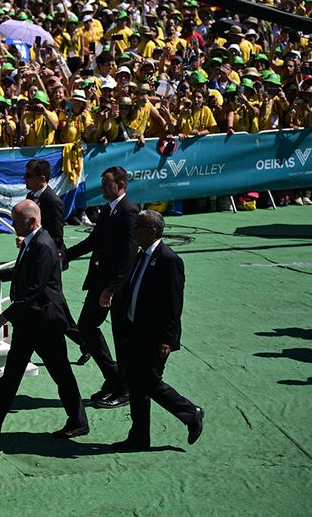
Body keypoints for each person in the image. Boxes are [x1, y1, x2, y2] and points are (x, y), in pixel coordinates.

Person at [0, 200, 88, 438]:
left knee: (60, 373)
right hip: (32, 321)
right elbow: (24, 272)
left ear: (32, 222)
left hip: (45, 323)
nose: (12, 225)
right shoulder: (33, 242)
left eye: (16, 221)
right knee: (13, 374)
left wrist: (5, 315)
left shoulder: (42, 245)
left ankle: (78, 421)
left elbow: (36, 289)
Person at [113, 210, 203, 450]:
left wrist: (168, 338)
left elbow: (174, 303)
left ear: (152, 231)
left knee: (149, 381)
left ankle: (190, 412)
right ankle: (139, 437)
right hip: (135, 331)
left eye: (138, 227)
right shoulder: (141, 256)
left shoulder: (169, 260)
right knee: (136, 383)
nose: (134, 231)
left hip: (155, 337)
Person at [64, 166, 139, 409]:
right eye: (103, 183)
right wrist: (65, 255)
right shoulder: (108, 210)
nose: (104, 187)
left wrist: (113, 288)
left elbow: (129, 254)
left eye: (108, 183)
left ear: (121, 185)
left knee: (121, 337)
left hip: (115, 286)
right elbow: (93, 241)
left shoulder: (129, 212)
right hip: (100, 281)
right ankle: (115, 378)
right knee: (86, 326)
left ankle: (125, 388)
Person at [23, 158, 88, 364]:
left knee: (55, 307)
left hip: (49, 262)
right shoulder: (31, 197)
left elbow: (57, 237)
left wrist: (34, 240)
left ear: (42, 179)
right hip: (36, 258)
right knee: (53, 306)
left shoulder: (53, 202)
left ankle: (84, 342)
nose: (24, 179)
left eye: (28, 175)